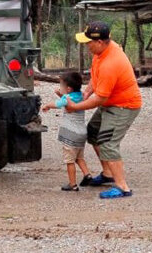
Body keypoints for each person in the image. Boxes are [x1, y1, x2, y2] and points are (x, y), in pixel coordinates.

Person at [65, 21, 142, 199]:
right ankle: (108, 173)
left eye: (88, 42)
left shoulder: (111, 63)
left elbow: (100, 99)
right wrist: (87, 92)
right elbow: (96, 75)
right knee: (93, 133)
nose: (86, 45)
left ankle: (122, 187)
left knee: (108, 143)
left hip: (123, 106)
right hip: (111, 103)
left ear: (99, 42)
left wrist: (75, 107)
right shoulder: (102, 51)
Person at [41, 72, 92, 192]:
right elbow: (67, 100)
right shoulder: (80, 95)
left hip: (71, 134)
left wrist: (47, 105)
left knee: (69, 160)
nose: (60, 88)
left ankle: (72, 184)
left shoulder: (67, 98)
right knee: (79, 157)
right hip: (81, 133)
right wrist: (60, 94)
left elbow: (58, 104)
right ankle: (87, 174)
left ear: (68, 89)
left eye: (62, 86)